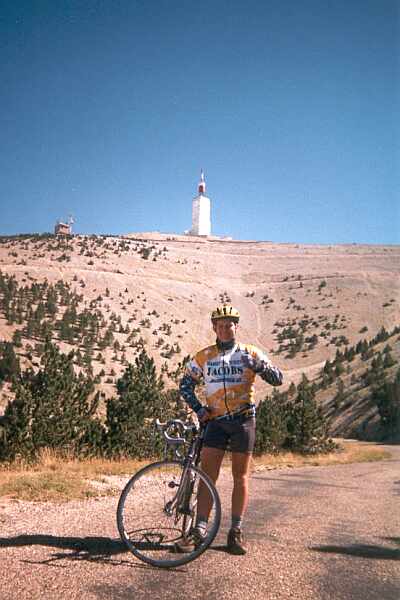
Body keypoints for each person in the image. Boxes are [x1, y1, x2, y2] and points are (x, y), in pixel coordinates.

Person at [179, 304, 283, 555]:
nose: (225, 329)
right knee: (207, 475)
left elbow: (278, 379)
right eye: (220, 325)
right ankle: (199, 529)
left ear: (236, 326)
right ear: (214, 328)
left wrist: (259, 367)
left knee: (241, 476)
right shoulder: (204, 356)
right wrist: (199, 410)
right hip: (215, 422)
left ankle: (235, 531)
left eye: (229, 325)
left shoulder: (250, 352)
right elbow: (184, 386)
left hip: (243, 421)